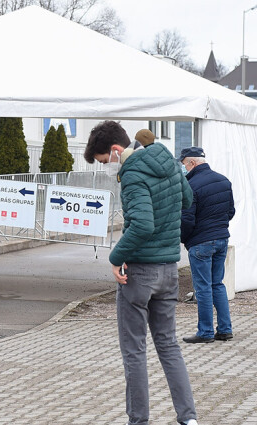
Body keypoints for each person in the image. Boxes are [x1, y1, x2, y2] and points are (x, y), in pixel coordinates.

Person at [84, 121, 198, 425]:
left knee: (134, 351)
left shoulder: (132, 175)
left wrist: (115, 257)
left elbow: (143, 225)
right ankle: (188, 418)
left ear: (116, 150)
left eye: (104, 161)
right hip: (169, 271)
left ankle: (138, 420)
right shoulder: (170, 164)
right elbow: (187, 200)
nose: (108, 168)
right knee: (169, 345)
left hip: (140, 273)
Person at [179, 147, 235, 344]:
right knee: (217, 284)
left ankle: (205, 332)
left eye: (184, 163)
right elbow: (231, 211)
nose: (183, 167)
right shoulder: (223, 180)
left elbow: (186, 219)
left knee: (202, 287)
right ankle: (225, 329)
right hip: (221, 239)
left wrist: (184, 239)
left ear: (192, 163)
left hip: (200, 242)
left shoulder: (191, 185)